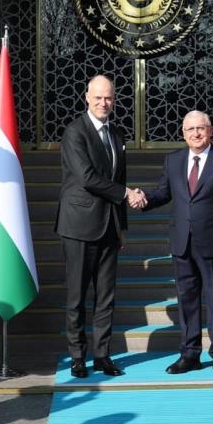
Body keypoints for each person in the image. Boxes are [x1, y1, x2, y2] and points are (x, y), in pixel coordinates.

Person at [140, 110, 213, 376]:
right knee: (187, 301)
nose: (196, 133)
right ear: (183, 133)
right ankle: (190, 355)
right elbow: (164, 192)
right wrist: (143, 199)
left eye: (201, 128)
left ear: (210, 131)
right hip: (182, 243)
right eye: (190, 129)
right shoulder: (173, 160)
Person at [55, 75, 145, 378]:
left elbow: (120, 177)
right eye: (98, 97)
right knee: (77, 297)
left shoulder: (117, 134)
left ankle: (103, 356)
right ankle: (78, 357)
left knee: (106, 297)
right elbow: (87, 177)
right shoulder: (74, 132)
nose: (104, 103)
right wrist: (126, 194)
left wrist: (123, 226)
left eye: (108, 98)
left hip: (109, 226)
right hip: (79, 225)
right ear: (86, 97)